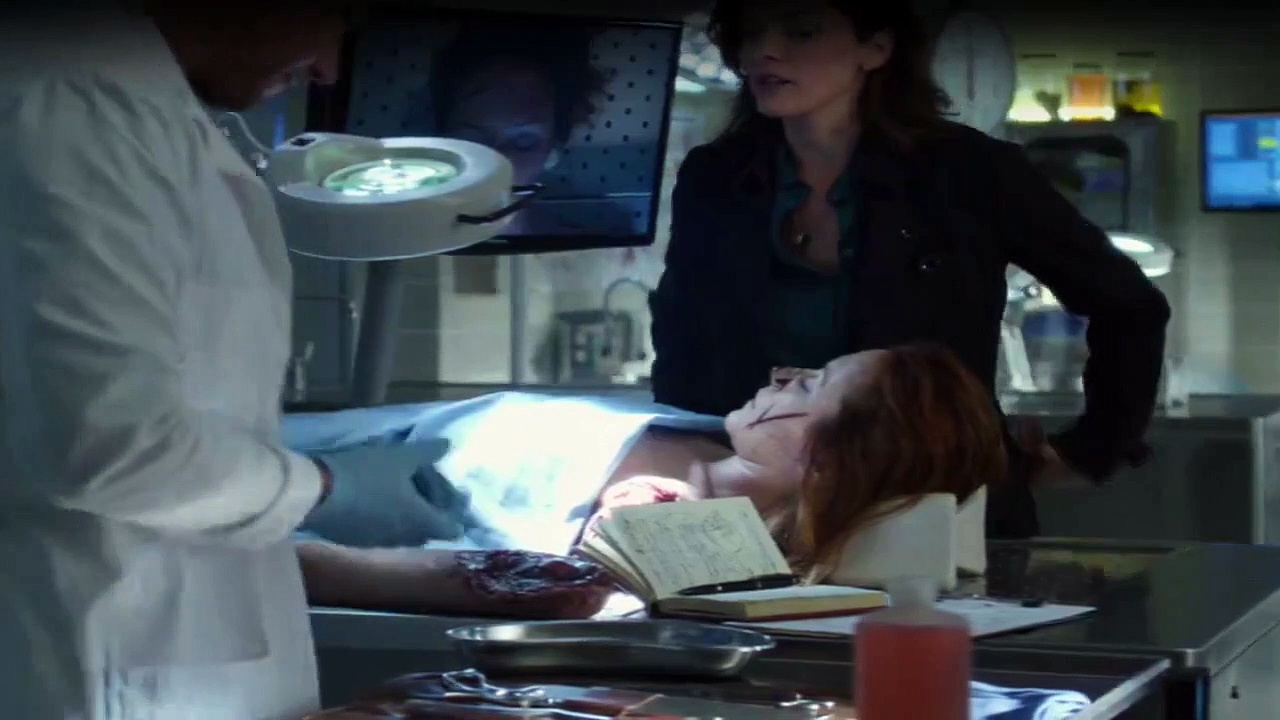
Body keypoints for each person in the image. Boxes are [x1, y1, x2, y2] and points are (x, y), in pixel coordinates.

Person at [0, 5, 447, 718]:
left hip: (169, 649)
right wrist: (327, 487)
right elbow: (108, 446)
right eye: (330, 18)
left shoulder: (133, 108)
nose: (329, 68)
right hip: (96, 656)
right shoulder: (76, 103)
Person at [649, 0, 1171, 538]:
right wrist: (678, 467)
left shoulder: (967, 172)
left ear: (876, 48)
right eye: (751, 33)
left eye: (802, 31)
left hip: (931, 504)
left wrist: (1093, 449)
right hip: (757, 509)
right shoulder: (717, 175)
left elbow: (1129, 305)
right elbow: (679, 334)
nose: (764, 51)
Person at [292, 343, 1008, 613]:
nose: (780, 374)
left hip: (298, 506)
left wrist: (306, 516)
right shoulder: (699, 431)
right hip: (313, 438)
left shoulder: (685, 557)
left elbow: (491, 577)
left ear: (828, 462)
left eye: (809, 385)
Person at [423, 21, 617, 236]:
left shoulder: (591, 249)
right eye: (472, 141)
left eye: (523, 142)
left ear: (553, 150)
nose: (494, 167)